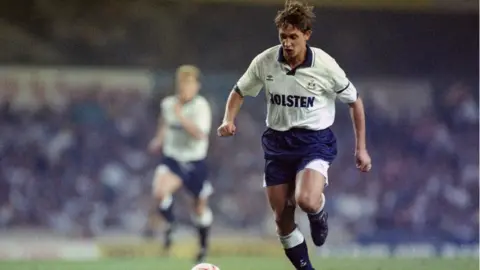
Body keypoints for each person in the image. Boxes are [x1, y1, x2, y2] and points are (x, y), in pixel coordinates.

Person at [217, 1, 372, 269]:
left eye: (293, 37)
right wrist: (228, 119)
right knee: (282, 220)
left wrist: (361, 148)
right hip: (277, 143)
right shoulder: (265, 61)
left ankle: (318, 212)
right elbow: (239, 91)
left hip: (313, 142)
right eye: (283, 37)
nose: (287, 43)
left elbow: (355, 101)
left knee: (306, 200)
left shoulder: (324, 65)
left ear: (307, 34)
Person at [146, 65, 213, 263]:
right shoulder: (168, 104)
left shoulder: (201, 107)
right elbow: (164, 123)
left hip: (195, 162)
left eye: (188, 84)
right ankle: (171, 225)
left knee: (199, 208)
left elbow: (200, 134)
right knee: (159, 192)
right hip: (173, 159)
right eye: (181, 83)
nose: (184, 88)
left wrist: (181, 116)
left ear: (196, 86)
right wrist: (158, 140)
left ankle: (202, 246)